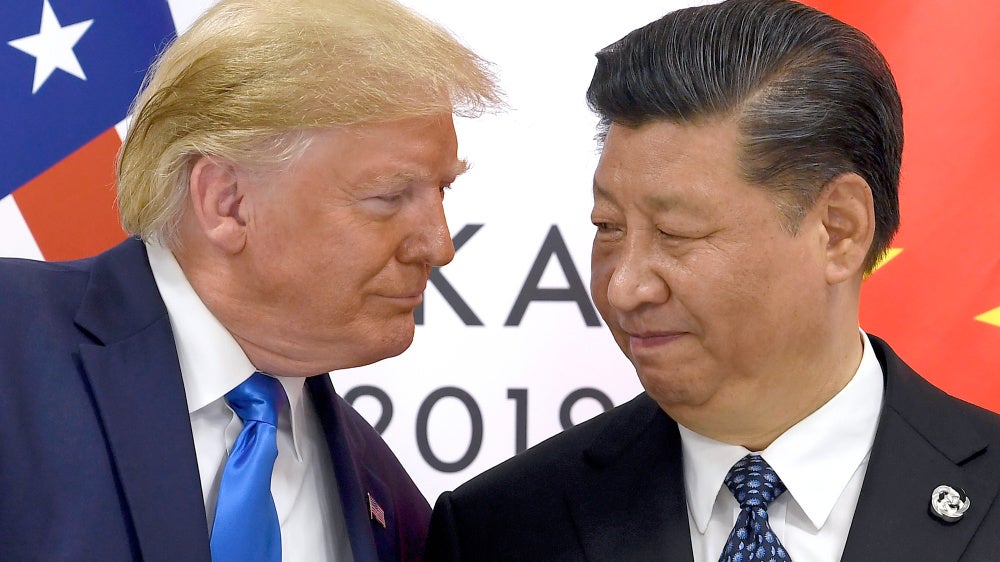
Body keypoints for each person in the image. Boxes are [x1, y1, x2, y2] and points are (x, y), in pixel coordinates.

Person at [423, 1, 1000, 560]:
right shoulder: (502, 527)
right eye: (608, 226)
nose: (624, 288)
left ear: (839, 231)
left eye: (676, 232)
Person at [0, 0, 498, 560]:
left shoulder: (390, 502)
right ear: (228, 203)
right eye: (389, 197)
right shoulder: (11, 343)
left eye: (442, 191)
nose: (440, 245)